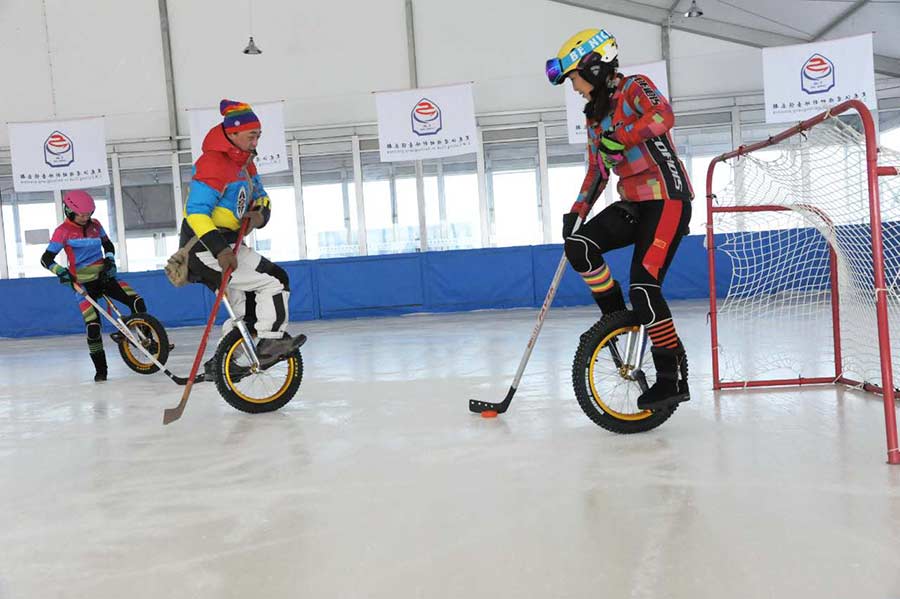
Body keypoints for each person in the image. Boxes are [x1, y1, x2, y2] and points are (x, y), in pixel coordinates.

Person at [546, 29, 694, 410]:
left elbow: (664, 116)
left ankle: (669, 378)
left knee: (644, 287)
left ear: (593, 67)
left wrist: (623, 135)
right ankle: (616, 320)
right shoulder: (594, 117)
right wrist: (576, 212)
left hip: (667, 198)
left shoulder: (635, 88)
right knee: (580, 247)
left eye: (575, 77)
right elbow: (598, 171)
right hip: (633, 202)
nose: (575, 87)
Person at [180, 99, 305, 376]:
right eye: (252, 135)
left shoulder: (245, 164)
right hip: (205, 248)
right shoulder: (212, 163)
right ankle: (272, 341)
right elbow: (196, 213)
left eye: (258, 135)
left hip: (229, 246)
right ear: (233, 133)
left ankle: (225, 363)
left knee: (248, 308)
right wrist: (220, 250)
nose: (256, 140)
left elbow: (262, 197)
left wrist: (259, 215)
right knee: (276, 280)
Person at [41, 190, 148, 382]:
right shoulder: (62, 231)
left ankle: (149, 343)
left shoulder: (96, 225)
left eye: (88, 213)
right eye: (82, 214)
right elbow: (46, 259)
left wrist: (110, 260)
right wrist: (62, 272)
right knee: (93, 327)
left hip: (104, 277)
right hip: (82, 284)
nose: (86, 217)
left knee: (137, 302)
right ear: (69, 210)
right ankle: (101, 371)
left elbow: (108, 245)